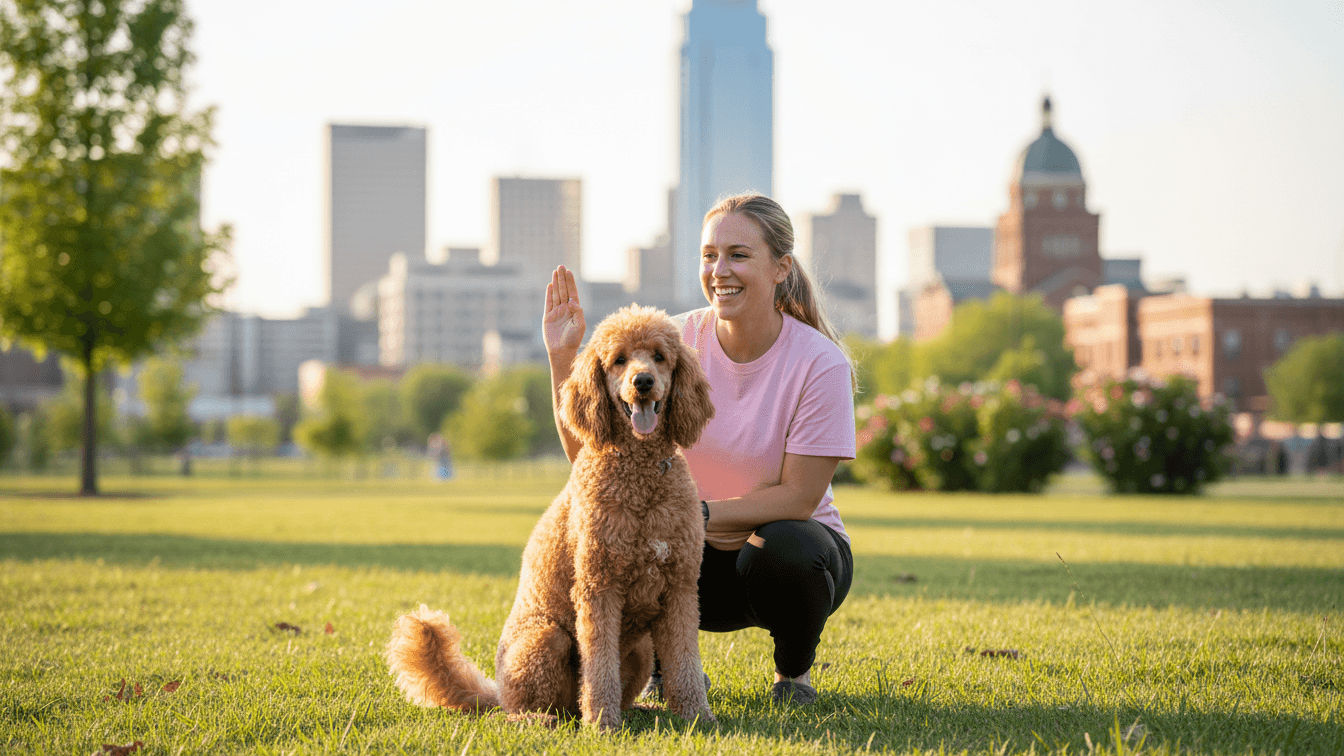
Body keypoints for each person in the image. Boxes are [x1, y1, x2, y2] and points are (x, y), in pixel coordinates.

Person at [542, 193, 855, 706]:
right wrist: (561, 357)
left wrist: (690, 513)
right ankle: (669, 673)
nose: (719, 270)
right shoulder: (674, 338)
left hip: (778, 561)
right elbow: (597, 462)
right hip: (688, 557)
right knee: (629, 537)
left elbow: (800, 499)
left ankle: (792, 675)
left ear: (781, 268)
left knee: (792, 547)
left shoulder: (820, 364)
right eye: (709, 255)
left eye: (738, 254)